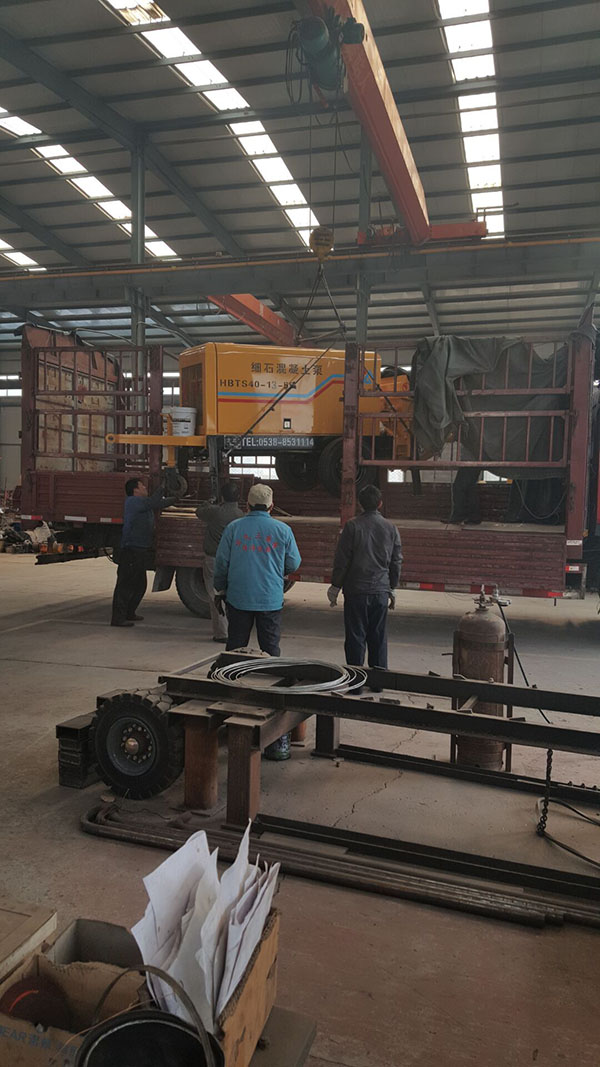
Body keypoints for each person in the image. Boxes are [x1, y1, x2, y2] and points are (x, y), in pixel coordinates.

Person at [213, 483, 301, 655]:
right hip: (270, 598)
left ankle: (232, 671)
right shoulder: (283, 530)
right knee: (270, 648)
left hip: (238, 598)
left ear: (247, 505)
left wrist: (220, 588)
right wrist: (276, 572)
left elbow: (222, 563)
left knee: (235, 647)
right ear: (271, 506)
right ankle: (271, 670)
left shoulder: (233, 528)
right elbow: (293, 563)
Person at [327, 485, 402, 669]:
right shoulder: (391, 528)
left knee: (355, 637)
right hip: (380, 591)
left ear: (360, 504)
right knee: (378, 637)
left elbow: (342, 559)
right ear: (380, 503)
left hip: (356, 591)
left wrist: (335, 586)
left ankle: (356, 680)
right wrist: (392, 587)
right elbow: (396, 561)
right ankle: (379, 679)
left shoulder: (352, 526)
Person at [111, 477, 177, 627]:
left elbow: (158, 503)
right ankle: (118, 618)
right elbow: (154, 502)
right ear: (135, 490)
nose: (145, 488)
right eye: (142, 486)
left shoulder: (143, 504)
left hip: (140, 550)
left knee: (140, 584)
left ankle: (129, 612)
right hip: (131, 550)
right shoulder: (133, 502)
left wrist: (175, 497)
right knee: (125, 585)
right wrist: (163, 487)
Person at [196, 481, 244, 643]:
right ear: (238, 497)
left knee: (215, 594)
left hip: (214, 559)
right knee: (232, 595)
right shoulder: (240, 515)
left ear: (222, 496)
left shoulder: (215, 512)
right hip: (234, 560)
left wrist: (208, 501)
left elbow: (199, 512)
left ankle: (222, 633)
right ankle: (233, 629)